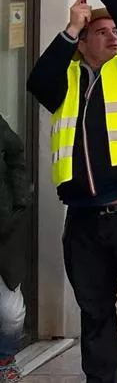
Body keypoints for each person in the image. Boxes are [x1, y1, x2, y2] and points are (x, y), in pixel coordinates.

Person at [25, 0, 117, 383]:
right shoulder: (66, 81)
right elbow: (37, 81)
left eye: (116, 31)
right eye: (102, 31)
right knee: (95, 314)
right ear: (83, 41)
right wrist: (70, 27)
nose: (114, 37)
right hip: (83, 220)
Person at [0, 109, 25, 383]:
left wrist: (19, 201)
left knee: (11, 314)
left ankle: (5, 357)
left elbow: (16, 153)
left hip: (3, 231)